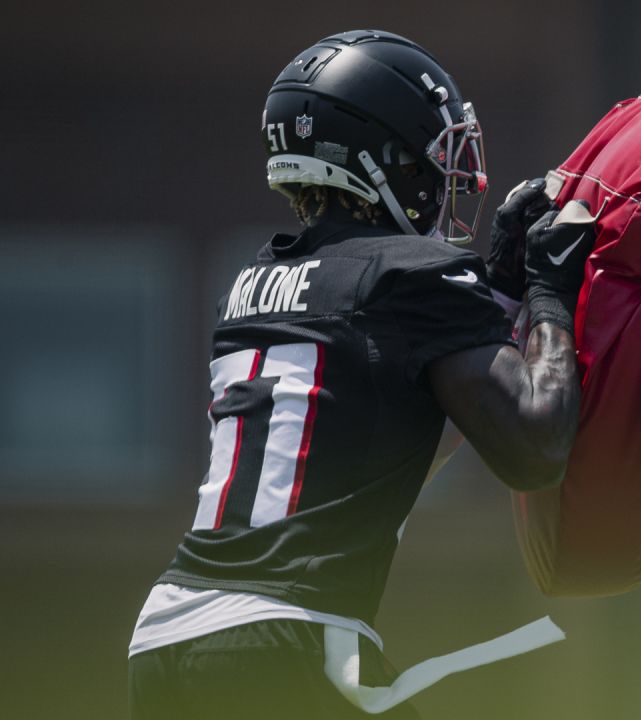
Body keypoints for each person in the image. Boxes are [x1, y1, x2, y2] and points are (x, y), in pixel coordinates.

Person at [127, 30, 593, 720]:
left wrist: (498, 293)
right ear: (385, 158)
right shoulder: (411, 272)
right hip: (286, 631)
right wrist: (551, 291)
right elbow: (534, 447)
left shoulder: (255, 281)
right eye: (438, 157)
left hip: (167, 633)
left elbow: (386, 443)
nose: (450, 178)